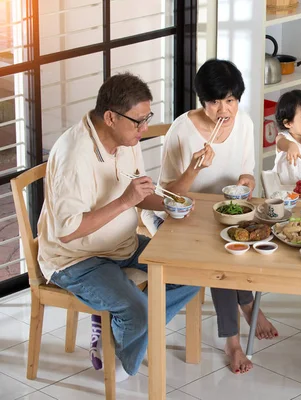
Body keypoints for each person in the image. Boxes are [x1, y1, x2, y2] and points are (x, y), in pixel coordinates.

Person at [37, 73, 205, 381]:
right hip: (75, 260)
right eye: (138, 121)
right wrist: (126, 202)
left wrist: (170, 204)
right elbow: (68, 231)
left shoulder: (126, 139)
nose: (144, 129)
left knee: (191, 272)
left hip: (122, 245)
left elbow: (139, 196)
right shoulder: (75, 156)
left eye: (147, 119)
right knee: (138, 311)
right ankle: (122, 355)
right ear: (111, 117)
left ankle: (116, 332)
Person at [141, 59, 278, 374]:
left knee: (247, 236)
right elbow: (166, 196)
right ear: (202, 100)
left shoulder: (244, 122)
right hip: (181, 215)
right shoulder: (182, 131)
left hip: (225, 211)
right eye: (215, 101)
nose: (223, 109)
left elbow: (247, 172)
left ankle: (246, 303)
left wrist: (247, 183)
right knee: (221, 254)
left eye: (230, 100)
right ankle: (233, 338)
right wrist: (194, 169)